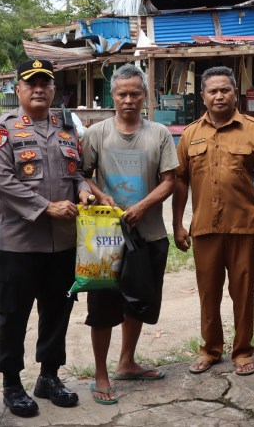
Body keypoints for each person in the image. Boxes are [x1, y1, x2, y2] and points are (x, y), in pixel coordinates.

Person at [0, 59, 92, 418]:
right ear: (18, 88)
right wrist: (47, 207)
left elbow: (76, 173)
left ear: (53, 89)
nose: (38, 89)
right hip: (18, 244)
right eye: (31, 83)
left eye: (45, 83)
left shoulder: (66, 127)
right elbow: (2, 181)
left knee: (58, 311)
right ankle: (11, 384)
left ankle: (49, 376)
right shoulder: (3, 129)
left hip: (62, 242)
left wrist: (83, 190)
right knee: (13, 316)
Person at [80, 64, 178, 405]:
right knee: (102, 307)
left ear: (145, 96)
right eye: (122, 93)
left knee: (138, 301)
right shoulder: (96, 133)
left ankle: (127, 362)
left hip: (149, 234)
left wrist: (142, 207)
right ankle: (100, 374)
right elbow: (83, 175)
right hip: (105, 238)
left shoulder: (159, 133)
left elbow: (169, 180)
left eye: (135, 93)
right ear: (112, 96)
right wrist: (100, 196)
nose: (128, 99)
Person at [173, 65, 254, 377]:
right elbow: (180, 181)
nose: (219, 96)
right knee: (208, 293)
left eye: (225, 90)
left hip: (244, 226)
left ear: (235, 94)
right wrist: (178, 224)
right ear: (203, 96)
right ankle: (210, 349)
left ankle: (243, 351)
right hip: (205, 228)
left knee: (243, 293)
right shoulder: (190, 135)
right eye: (212, 91)